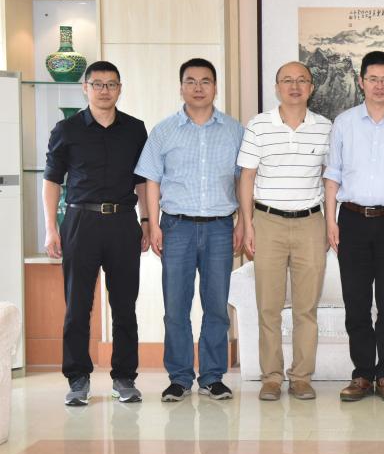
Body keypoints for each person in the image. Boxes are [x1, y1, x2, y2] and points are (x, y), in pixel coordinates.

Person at [135, 58, 245, 403]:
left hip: (220, 228)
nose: (198, 88)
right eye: (191, 81)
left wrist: (245, 222)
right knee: (176, 308)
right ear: (181, 87)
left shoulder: (234, 130)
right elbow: (151, 180)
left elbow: (243, 181)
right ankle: (180, 378)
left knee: (216, 307)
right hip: (177, 227)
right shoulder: (164, 130)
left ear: (216, 87)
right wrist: (153, 224)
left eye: (205, 81)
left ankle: (213, 377)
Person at [43, 60, 149, 406]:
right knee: (77, 306)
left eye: (111, 84)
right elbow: (51, 181)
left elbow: (143, 181)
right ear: (85, 88)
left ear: (120, 89)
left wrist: (148, 221)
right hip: (80, 222)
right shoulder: (67, 129)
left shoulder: (135, 129)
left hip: (122, 222)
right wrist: (51, 229)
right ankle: (78, 379)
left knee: (124, 306)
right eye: (98, 84)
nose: (105, 90)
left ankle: (124, 377)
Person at [324, 51, 384, 403]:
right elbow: (333, 175)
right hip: (350, 220)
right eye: (373, 79)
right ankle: (362, 374)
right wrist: (330, 221)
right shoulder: (344, 122)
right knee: (357, 302)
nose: (379, 86)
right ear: (361, 82)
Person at [237, 61, 332, 402]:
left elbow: (330, 179)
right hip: (268, 223)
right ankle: (272, 378)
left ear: (311, 88)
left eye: (302, 80)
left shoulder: (325, 127)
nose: (295, 86)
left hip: (310, 223)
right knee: (269, 307)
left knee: (306, 308)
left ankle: (302, 377)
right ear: (277, 87)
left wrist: (329, 222)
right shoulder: (259, 125)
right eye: (287, 81)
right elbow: (246, 177)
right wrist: (247, 224)